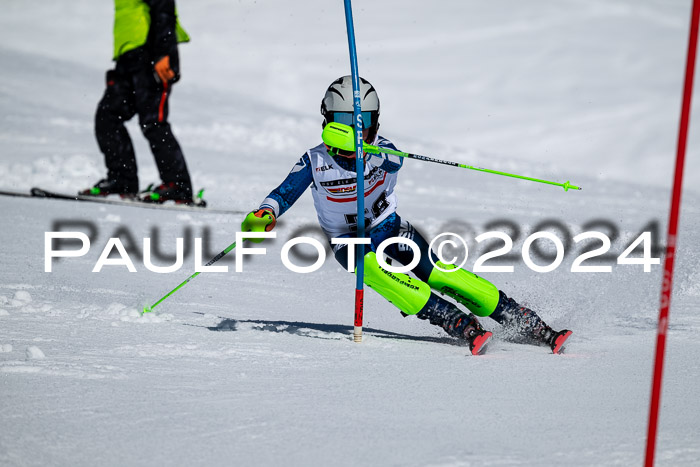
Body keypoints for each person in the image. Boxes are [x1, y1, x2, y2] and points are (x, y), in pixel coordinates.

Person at [241, 76, 572, 355]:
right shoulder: (315, 161)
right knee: (374, 271)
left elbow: (395, 160)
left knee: (446, 276)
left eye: (364, 125)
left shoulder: (381, 149)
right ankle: (457, 322)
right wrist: (265, 214)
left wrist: (372, 154)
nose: (357, 135)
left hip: (392, 230)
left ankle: (527, 322)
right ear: (328, 123)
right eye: (344, 124)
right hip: (349, 242)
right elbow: (283, 193)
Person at [81, 0, 195, 204]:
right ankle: (121, 180)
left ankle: (177, 185)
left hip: (152, 56)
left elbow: (164, 8)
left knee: (153, 122)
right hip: (128, 58)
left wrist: (163, 53)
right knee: (107, 117)